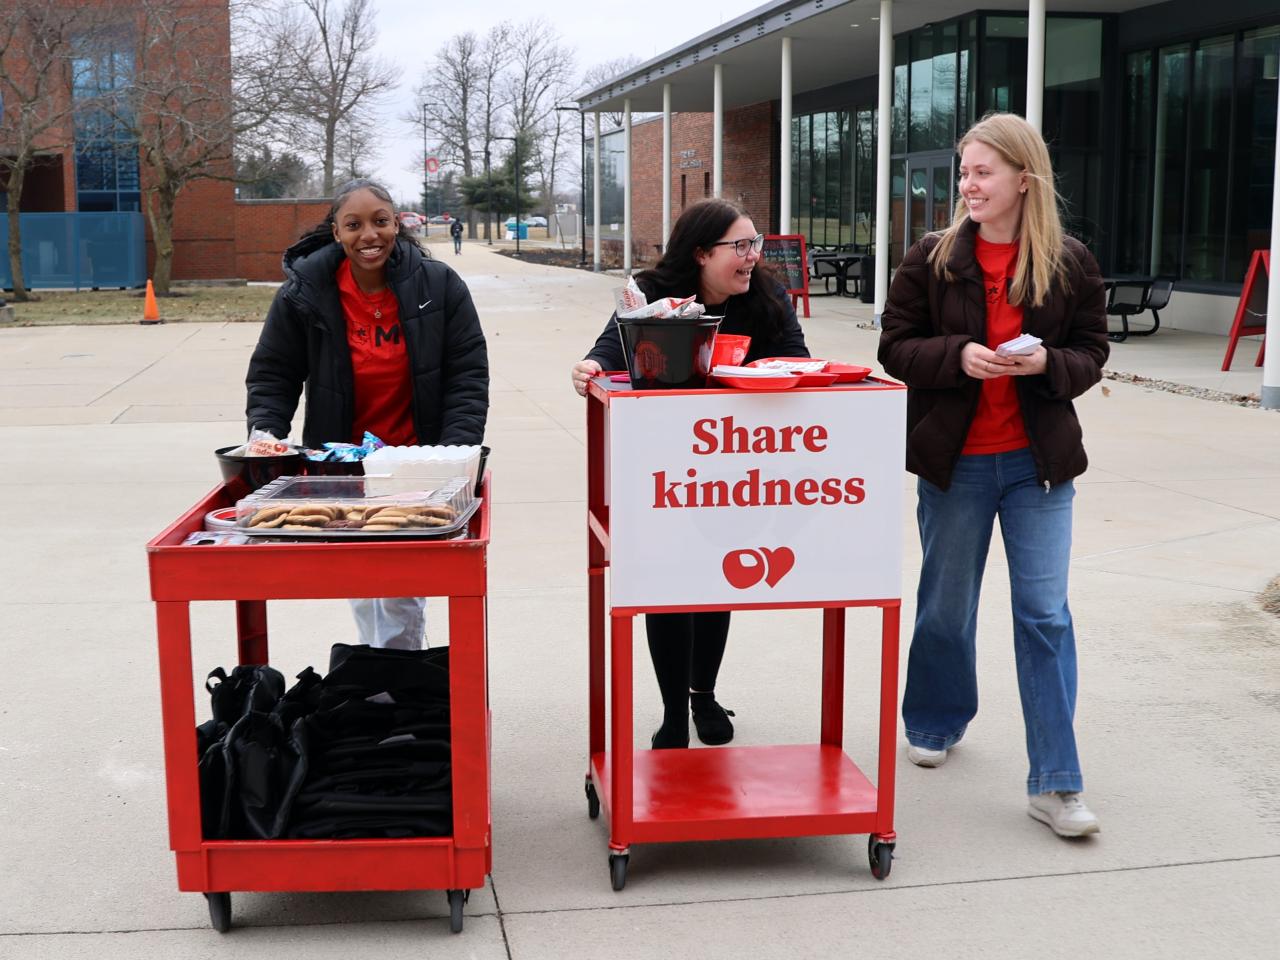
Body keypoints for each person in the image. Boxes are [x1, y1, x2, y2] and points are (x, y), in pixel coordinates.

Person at [878, 113, 1109, 838]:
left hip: (1039, 470)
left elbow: (1092, 353)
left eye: (983, 173)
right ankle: (936, 718)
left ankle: (1056, 784)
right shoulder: (931, 257)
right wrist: (958, 356)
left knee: (1044, 617)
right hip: (959, 465)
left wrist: (1048, 363)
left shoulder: (1068, 262)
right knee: (947, 607)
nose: (969, 185)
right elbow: (896, 346)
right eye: (965, 172)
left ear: (1023, 180)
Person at [571, 198, 809, 750]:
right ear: (702, 254)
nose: (753, 257)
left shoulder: (766, 296)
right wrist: (588, 369)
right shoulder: (652, 292)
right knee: (668, 581)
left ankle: (704, 693)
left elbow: (797, 360)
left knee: (715, 580)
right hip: (664, 467)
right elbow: (609, 352)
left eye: (756, 245)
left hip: (736, 466)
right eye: (741, 246)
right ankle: (673, 712)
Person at [246, 178, 489, 649]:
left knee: (401, 585)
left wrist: (454, 455)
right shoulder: (304, 293)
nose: (369, 235)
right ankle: (375, 681)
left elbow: (468, 375)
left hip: (415, 464)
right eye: (353, 225)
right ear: (336, 232)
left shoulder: (439, 285)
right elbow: (274, 373)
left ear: (397, 223)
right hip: (341, 465)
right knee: (359, 580)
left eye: (380, 221)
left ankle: (393, 684)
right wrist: (265, 436)